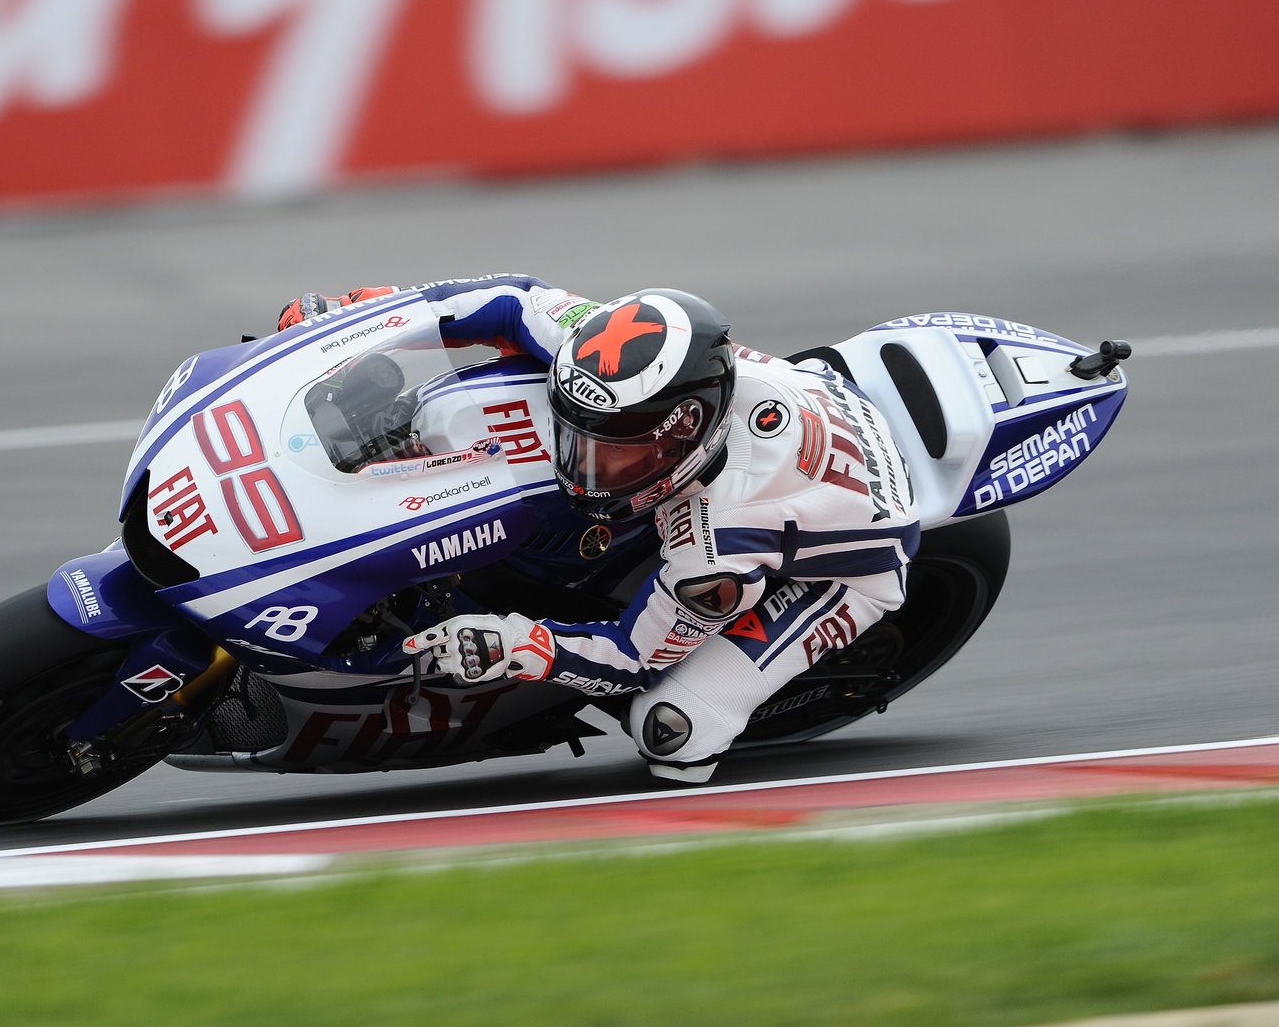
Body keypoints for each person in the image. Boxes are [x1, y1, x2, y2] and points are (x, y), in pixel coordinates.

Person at [279, 274, 920, 783]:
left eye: (618, 452)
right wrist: (359, 318)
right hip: (814, 399)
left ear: (686, 435)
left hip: (851, 568)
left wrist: (515, 645)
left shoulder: (712, 546)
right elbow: (511, 299)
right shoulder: (606, 357)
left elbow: (632, 661)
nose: (587, 466)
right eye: (577, 436)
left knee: (673, 734)